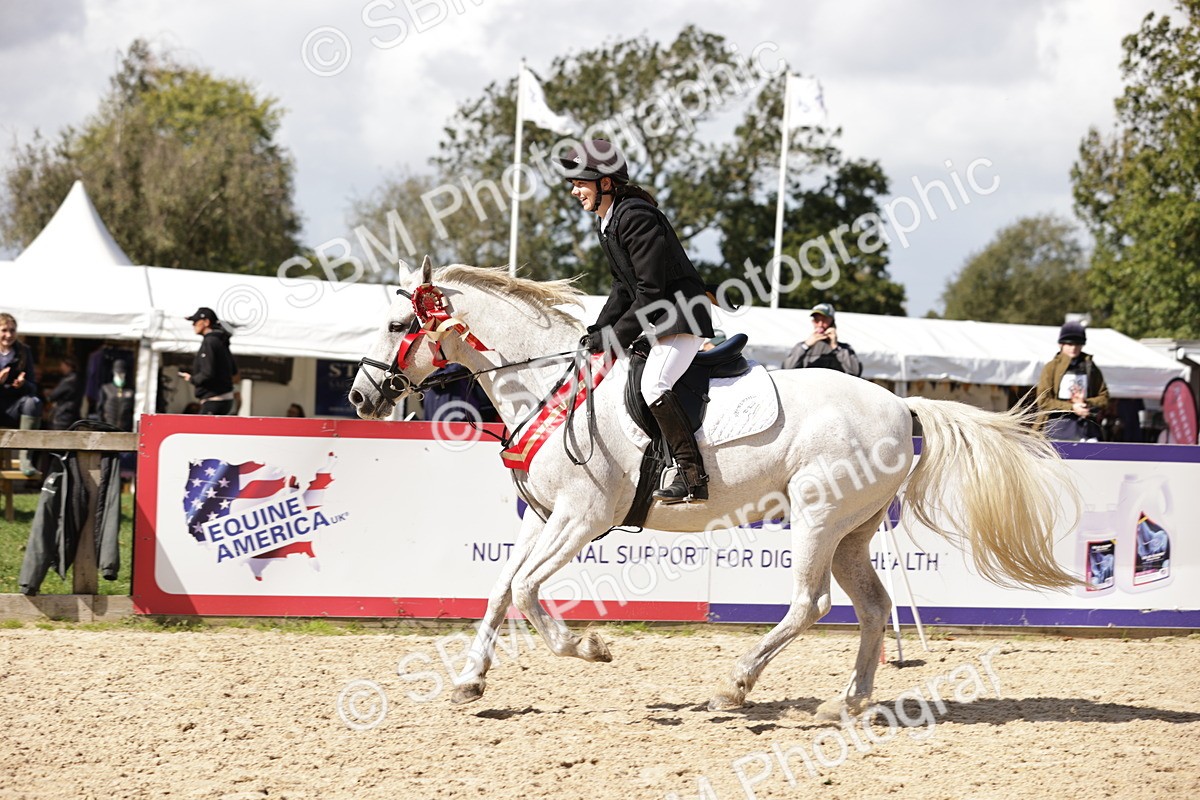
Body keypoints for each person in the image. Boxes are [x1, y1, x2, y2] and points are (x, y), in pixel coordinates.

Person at [557, 138, 715, 504]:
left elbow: (650, 291)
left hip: (680, 316)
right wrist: (598, 331)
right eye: (574, 184)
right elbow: (622, 288)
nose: (574, 191)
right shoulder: (611, 222)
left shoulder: (636, 217)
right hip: (659, 318)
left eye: (581, 183)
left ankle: (692, 476)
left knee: (655, 385)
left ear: (606, 184)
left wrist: (614, 336)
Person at [1035, 320, 1109, 441]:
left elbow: (1104, 397)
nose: (1073, 348)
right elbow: (1043, 401)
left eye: (1077, 344)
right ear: (1061, 345)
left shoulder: (1090, 367)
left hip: (1086, 430)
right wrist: (1073, 407)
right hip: (1057, 429)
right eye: (1069, 344)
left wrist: (1086, 403)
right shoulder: (1050, 367)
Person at [0, 313, 44, 475]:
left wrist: (23, 384)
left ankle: (26, 458)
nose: (9, 335)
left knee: (33, 402)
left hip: (14, 409)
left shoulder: (24, 352)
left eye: (12, 330)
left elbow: (34, 387)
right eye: (4, 330)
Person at [178, 306, 238, 415]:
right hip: (225, 399)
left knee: (200, 431)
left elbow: (207, 373)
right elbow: (233, 370)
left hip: (214, 400)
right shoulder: (221, 340)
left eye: (196, 321)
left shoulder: (210, 341)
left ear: (206, 322)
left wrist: (192, 379)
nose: (193, 325)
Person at [781, 303, 862, 376]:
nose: (820, 324)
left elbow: (855, 372)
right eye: (817, 320)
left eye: (824, 320)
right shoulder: (802, 347)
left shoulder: (844, 348)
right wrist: (805, 346)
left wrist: (835, 347)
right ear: (813, 322)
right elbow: (786, 369)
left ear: (832, 322)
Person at [98, 359, 136, 431]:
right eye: (117, 373)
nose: (120, 375)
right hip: (108, 428)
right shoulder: (106, 388)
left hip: (125, 429)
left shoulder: (131, 390)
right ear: (113, 373)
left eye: (122, 373)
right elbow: (100, 410)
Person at [47, 357, 83, 431]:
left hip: (63, 415)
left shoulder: (69, 381)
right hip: (73, 413)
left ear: (68, 366)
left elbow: (53, 395)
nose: (61, 368)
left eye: (62, 365)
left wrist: (48, 393)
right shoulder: (79, 379)